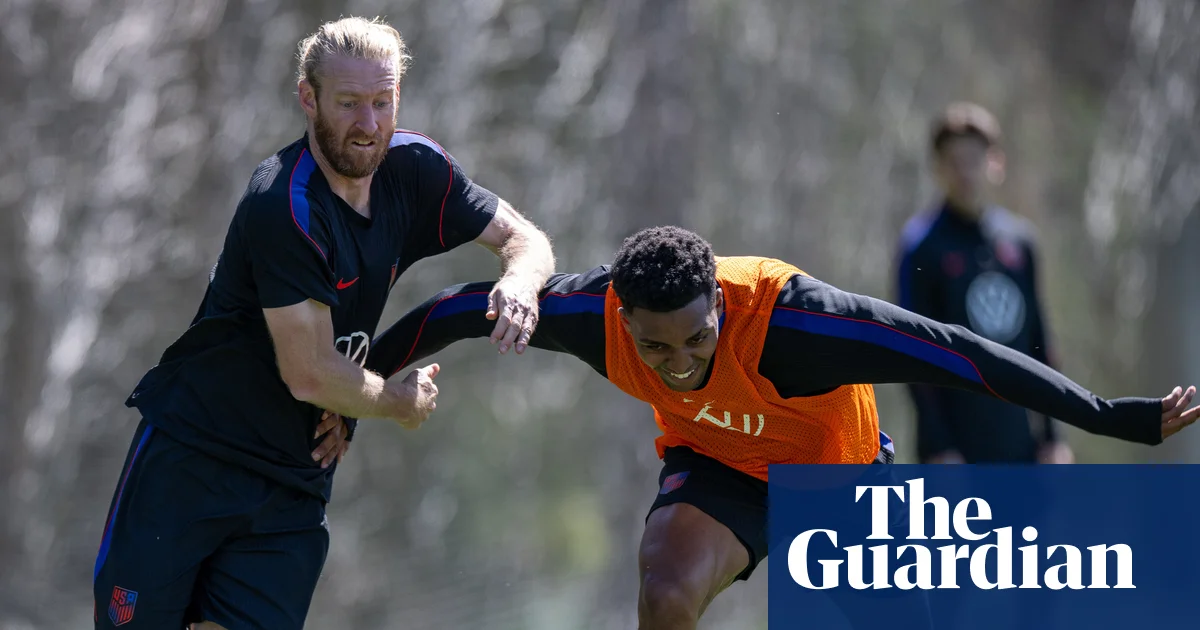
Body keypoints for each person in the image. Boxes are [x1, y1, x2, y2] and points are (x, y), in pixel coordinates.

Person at [354, 225, 1199, 630]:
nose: (679, 363)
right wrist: (354, 397)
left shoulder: (797, 326)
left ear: (720, 308)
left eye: (696, 339)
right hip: (718, 466)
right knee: (665, 592)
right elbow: (455, 310)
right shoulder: (587, 317)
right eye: (656, 347)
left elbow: (958, 352)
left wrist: (1110, 416)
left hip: (841, 481)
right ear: (622, 317)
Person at [92, 16, 555, 630]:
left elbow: (526, 239)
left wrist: (519, 282)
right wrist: (395, 402)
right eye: (348, 103)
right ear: (307, 98)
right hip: (194, 457)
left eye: (382, 102)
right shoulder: (286, 204)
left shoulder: (417, 168)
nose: (368, 125)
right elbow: (309, 373)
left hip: (294, 475)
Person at [896, 102, 1074, 465]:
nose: (965, 172)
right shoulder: (921, 247)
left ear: (995, 163)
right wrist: (939, 447)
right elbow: (913, 357)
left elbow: (1039, 343)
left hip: (1022, 451)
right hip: (954, 460)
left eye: (973, 159)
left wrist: (1053, 436)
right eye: (954, 161)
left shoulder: (1020, 242)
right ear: (937, 167)